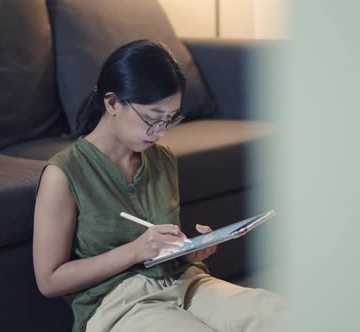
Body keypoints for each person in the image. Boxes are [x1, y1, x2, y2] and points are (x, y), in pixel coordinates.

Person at [33, 40, 284, 332]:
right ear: (113, 102)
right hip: (120, 304)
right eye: (152, 119)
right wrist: (136, 251)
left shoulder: (162, 159)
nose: (161, 132)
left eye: (170, 119)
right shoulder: (64, 173)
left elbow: (161, 249)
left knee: (277, 314)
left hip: (187, 282)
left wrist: (190, 249)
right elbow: (49, 280)